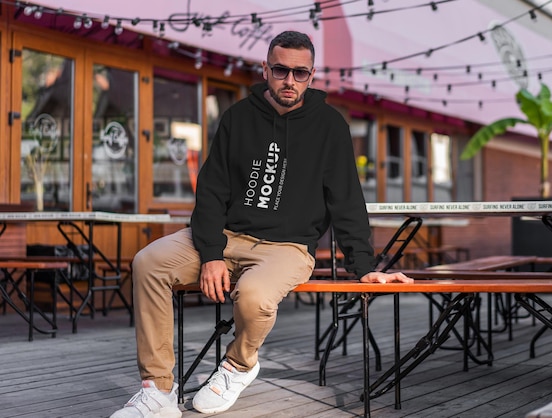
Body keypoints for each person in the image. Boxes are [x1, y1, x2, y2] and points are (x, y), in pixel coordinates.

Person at [111, 30, 411, 418]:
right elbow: (211, 191)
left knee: (253, 296)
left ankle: (239, 365)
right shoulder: (238, 117)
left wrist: (365, 268)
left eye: (299, 73)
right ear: (265, 70)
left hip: (286, 249)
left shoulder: (330, 126)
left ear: (312, 74)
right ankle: (158, 392)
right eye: (281, 70)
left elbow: (347, 201)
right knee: (149, 263)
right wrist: (212, 254)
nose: (290, 80)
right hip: (225, 235)